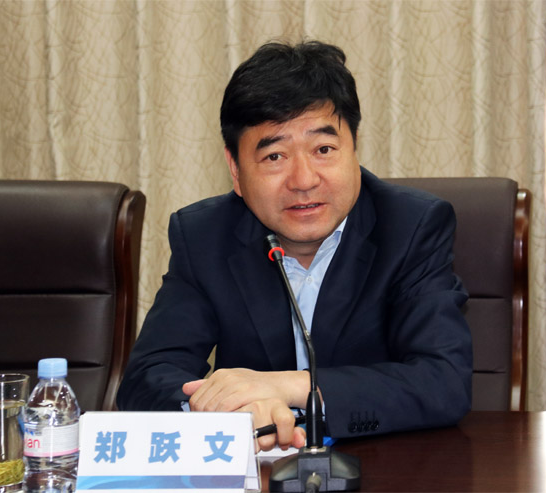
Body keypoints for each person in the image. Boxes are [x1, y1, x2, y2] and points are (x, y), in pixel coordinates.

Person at [117, 40, 473, 452]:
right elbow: (148, 377)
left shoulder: (411, 227)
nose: (303, 180)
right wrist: (229, 410)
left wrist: (285, 387)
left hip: (383, 465)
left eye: (323, 149)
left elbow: (443, 381)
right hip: (260, 469)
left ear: (354, 148)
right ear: (235, 170)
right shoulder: (204, 236)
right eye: (274, 157)